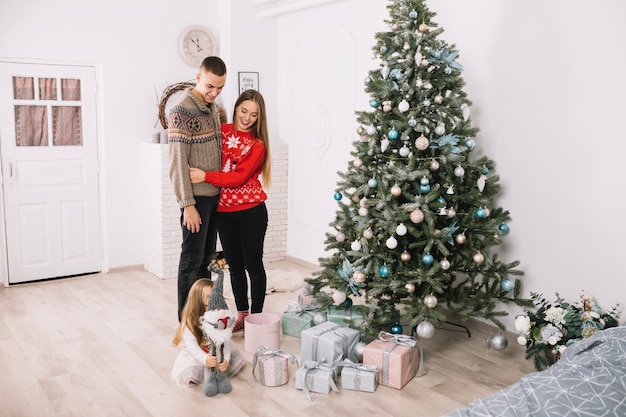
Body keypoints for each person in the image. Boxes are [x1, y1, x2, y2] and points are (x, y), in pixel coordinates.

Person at [190, 89, 272, 332]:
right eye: (244, 111)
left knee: (253, 266)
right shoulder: (222, 132)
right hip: (224, 212)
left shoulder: (258, 145)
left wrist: (205, 176)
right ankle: (242, 315)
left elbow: (238, 177)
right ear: (236, 108)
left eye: (253, 115)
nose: (247, 118)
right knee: (235, 267)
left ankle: (256, 319)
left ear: (259, 118)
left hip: (252, 213)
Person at [168, 56, 227, 321]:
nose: (214, 93)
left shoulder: (212, 107)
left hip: (214, 197)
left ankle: (204, 318)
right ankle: (186, 322)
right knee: (191, 261)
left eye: (220, 88)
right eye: (210, 86)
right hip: (197, 201)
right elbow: (177, 163)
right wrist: (187, 205)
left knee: (205, 261)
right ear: (198, 77)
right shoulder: (181, 111)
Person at [171, 276, 244, 389]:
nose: (211, 301)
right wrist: (205, 359)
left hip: (216, 352)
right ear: (197, 301)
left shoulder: (219, 319)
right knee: (193, 370)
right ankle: (196, 375)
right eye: (208, 297)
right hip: (196, 355)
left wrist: (226, 359)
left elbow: (225, 343)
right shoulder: (190, 323)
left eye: (214, 297)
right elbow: (193, 347)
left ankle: (220, 368)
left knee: (235, 362)